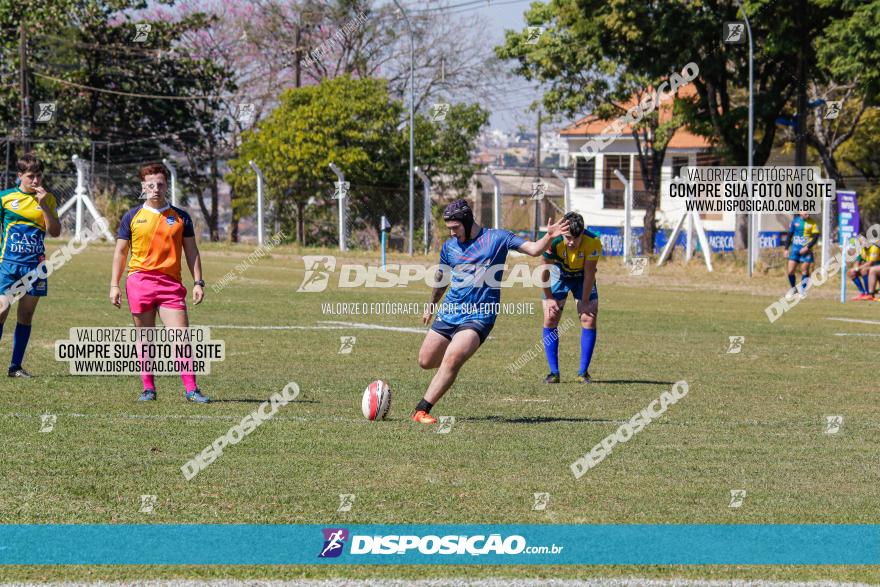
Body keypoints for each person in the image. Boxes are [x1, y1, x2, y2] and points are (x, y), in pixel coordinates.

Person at [412, 199, 569, 424]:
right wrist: (431, 305)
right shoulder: (449, 247)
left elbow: (534, 250)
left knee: (452, 359)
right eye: (449, 229)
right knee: (425, 361)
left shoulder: (497, 239)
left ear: (467, 221)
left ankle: (422, 409)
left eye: (455, 228)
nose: (452, 233)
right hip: (450, 311)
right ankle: (445, 373)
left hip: (480, 314)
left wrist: (548, 238)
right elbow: (442, 278)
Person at [109, 162, 209, 402]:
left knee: (181, 337)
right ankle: (148, 388)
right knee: (145, 338)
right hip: (139, 283)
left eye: (160, 184)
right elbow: (121, 253)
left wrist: (198, 282)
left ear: (167, 186)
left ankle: (192, 389)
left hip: (171, 286)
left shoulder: (181, 216)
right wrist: (114, 284)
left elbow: (192, 251)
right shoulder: (132, 216)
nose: (155, 189)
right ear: (143, 187)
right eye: (150, 185)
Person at [0, 153, 61, 377]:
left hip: (35, 268)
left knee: (25, 316)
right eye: (30, 176)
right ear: (19, 176)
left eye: (38, 176)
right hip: (7, 265)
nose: (35, 181)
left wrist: (44, 205)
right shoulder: (5, 198)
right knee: (1, 310)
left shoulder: (48, 199)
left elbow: (55, 231)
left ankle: (15, 367)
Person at [540, 211, 602, 384]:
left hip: (582, 277)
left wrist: (584, 300)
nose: (571, 242)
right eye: (567, 237)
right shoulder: (553, 241)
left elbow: (590, 273)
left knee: (588, 317)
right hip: (558, 276)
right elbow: (544, 272)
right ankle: (554, 373)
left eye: (575, 238)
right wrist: (549, 297)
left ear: (582, 233)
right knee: (550, 317)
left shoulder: (593, 242)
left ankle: (583, 373)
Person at [785, 212, 820, 298]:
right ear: (801, 213)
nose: (808, 215)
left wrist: (807, 247)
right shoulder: (795, 221)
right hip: (795, 250)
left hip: (806, 250)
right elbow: (789, 235)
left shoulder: (813, 223)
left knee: (804, 270)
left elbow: (816, 237)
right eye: (806, 213)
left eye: (809, 213)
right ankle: (793, 289)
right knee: (790, 271)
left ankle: (802, 290)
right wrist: (786, 249)